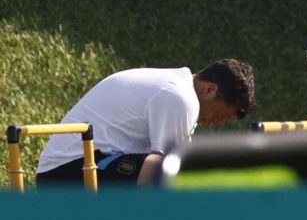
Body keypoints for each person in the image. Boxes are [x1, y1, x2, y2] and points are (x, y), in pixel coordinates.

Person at [35, 59, 256, 187]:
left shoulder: (175, 83)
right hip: (68, 174)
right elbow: (171, 170)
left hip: (71, 169)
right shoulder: (181, 97)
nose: (212, 123)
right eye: (218, 116)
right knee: (168, 169)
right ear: (210, 90)